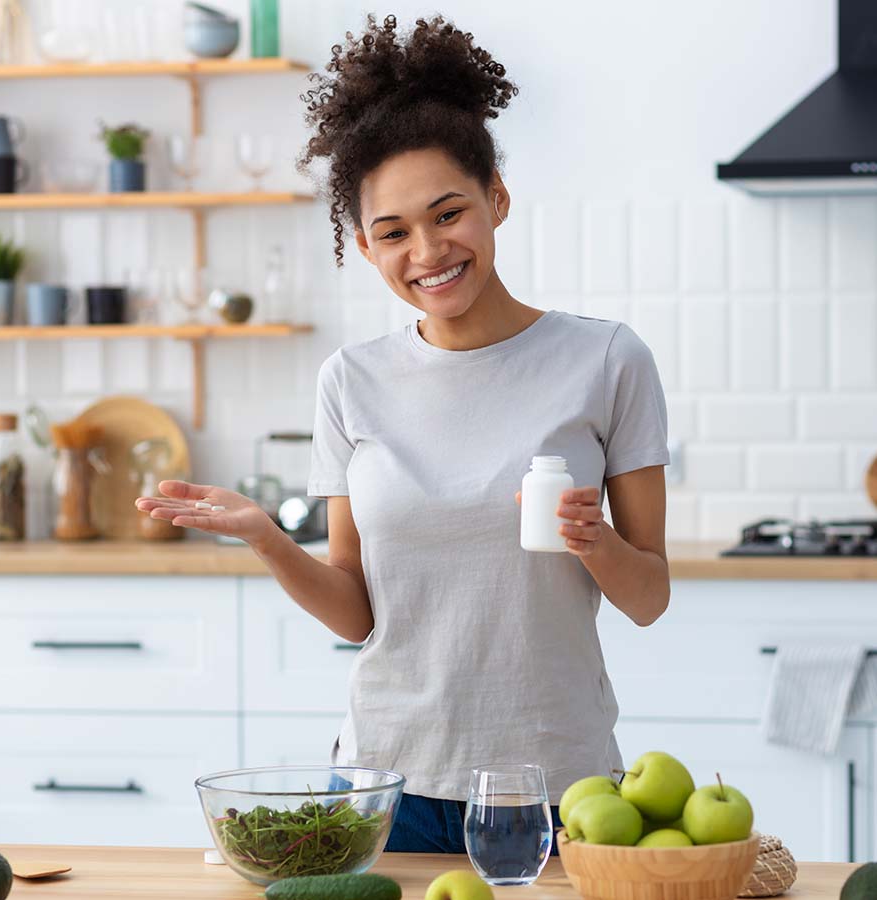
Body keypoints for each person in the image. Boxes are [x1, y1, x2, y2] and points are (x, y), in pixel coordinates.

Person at [136, 13, 671, 856]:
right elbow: (356, 610)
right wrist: (269, 539)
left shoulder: (606, 360)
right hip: (386, 783)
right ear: (364, 245)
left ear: (496, 196)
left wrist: (595, 542)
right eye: (392, 233)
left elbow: (649, 597)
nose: (427, 250)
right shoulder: (351, 381)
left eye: (448, 212)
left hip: (555, 789)